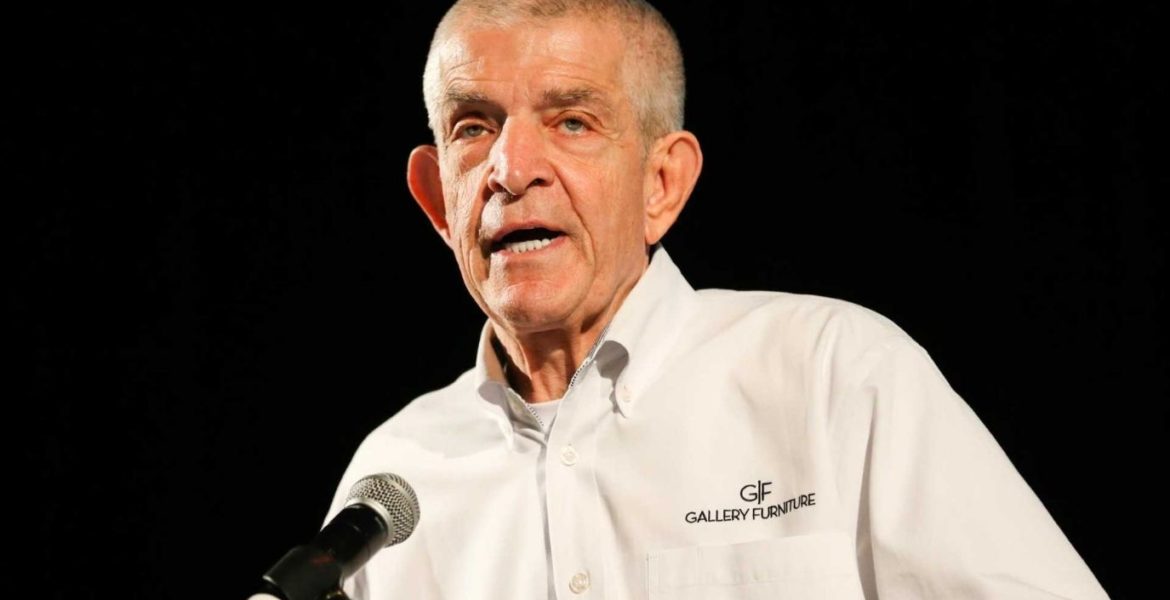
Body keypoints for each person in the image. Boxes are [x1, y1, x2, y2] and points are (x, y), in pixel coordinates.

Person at [326, 1, 1109, 598]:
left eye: (572, 122)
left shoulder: (834, 374)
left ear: (661, 184)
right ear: (438, 199)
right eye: (473, 127)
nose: (510, 167)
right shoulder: (394, 481)